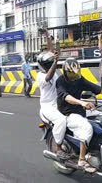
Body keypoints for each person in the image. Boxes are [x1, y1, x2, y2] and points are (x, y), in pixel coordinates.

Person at [56, 57, 102, 173]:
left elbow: (96, 88)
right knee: (87, 128)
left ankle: (99, 149)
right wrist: (82, 102)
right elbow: (66, 97)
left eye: (76, 74)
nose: (75, 77)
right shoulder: (60, 81)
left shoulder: (79, 79)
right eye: (71, 75)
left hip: (80, 110)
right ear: (65, 73)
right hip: (68, 113)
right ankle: (81, 160)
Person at [37, 29, 68, 159]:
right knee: (61, 121)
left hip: (59, 103)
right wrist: (55, 62)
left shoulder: (52, 71)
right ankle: (59, 148)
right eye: (48, 64)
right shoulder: (41, 75)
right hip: (47, 107)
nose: (50, 64)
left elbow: (52, 52)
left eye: (51, 62)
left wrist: (48, 35)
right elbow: (48, 77)